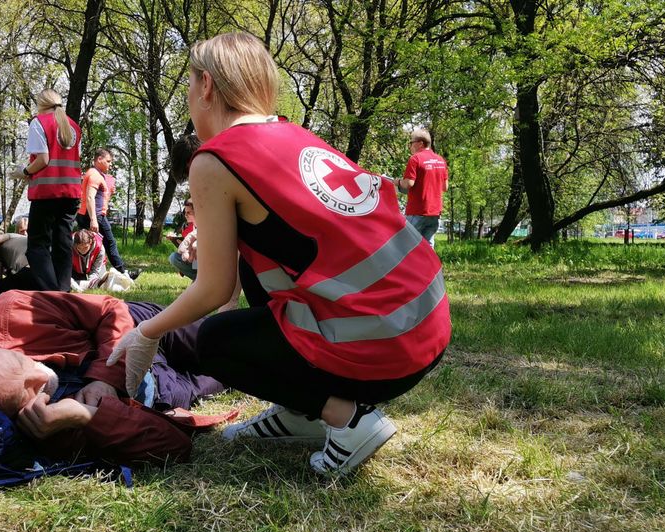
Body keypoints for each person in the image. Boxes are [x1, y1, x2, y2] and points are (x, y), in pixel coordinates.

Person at [105, 32, 451, 477]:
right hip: (427, 324)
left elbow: (213, 290)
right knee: (255, 268)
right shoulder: (294, 134)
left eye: (189, 83)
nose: (189, 96)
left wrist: (146, 334)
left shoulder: (214, 160)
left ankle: (348, 419)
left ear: (206, 85)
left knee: (213, 342)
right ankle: (300, 410)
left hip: (385, 345)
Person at [0, 290, 228, 465]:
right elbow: (174, 446)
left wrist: (105, 378)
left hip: (139, 326)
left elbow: (111, 309)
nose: (41, 376)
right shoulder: (40, 424)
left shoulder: (11, 310)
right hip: (161, 389)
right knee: (229, 371)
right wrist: (86, 417)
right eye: (31, 392)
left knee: (221, 339)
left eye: (23, 361)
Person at [12, 89, 81, 292]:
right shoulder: (74, 126)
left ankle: (50, 294)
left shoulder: (39, 122)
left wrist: (24, 171)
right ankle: (63, 291)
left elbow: (43, 159)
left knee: (37, 246)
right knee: (63, 243)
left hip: (47, 193)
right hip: (71, 193)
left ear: (40, 103)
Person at [77, 149, 135, 278]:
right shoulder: (94, 175)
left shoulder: (94, 174)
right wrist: (94, 219)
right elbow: (90, 198)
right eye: (108, 161)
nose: (110, 164)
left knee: (85, 244)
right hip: (94, 216)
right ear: (99, 159)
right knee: (109, 243)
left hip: (87, 214)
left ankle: (81, 274)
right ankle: (123, 273)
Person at [397, 128, 449, 247]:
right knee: (428, 247)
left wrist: (397, 182)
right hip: (435, 212)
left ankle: (410, 266)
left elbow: (408, 184)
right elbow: (445, 187)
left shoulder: (415, 159)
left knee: (409, 247)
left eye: (411, 142)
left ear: (420, 143)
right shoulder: (441, 160)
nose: (410, 146)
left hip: (417, 211)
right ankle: (431, 266)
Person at [168, 199, 198, 280]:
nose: (186, 215)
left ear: (197, 212)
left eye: (189, 212)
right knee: (174, 257)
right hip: (194, 261)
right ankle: (198, 280)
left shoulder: (204, 227)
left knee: (174, 257)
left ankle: (200, 281)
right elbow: (185, 244)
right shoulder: (190, 227)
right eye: (185, 212)